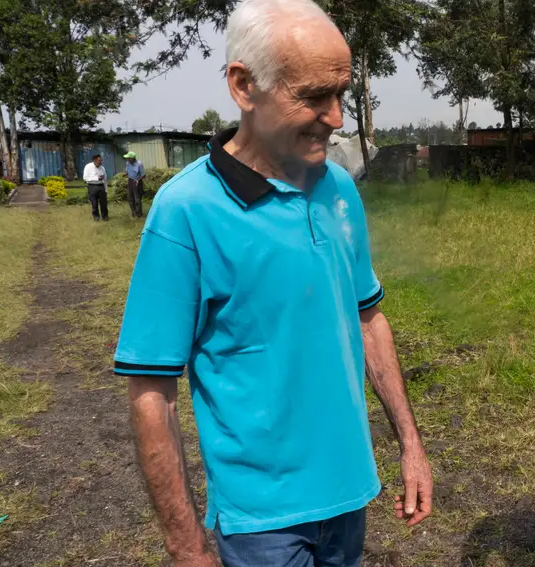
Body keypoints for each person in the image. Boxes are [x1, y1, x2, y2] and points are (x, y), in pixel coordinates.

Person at [113, 1, 433, 566]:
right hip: (262, 522)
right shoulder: (186, 211)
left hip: (350, 496)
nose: (338, 118)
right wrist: (187, 548)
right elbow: (152, 392)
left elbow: (368, 318)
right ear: (244, 86)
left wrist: (410, 445)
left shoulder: (338, 189)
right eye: (314, 96)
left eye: (341, 94)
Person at [83, 154, 108, 221]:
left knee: (104, 203)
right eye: (99, 160)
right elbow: (85, 178)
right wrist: (96, 178)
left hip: (101, 186)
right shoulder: (88, 167)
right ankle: (96, 217)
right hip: (92, 186)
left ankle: (105, 217)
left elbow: (105, 179)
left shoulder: (102, 168)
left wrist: (106, 189)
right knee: (94, 203)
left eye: (101, 160)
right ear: (94, 160)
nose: (101, 162)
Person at [124, 151, 146, 218]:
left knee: (137, 198)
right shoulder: (128, 163)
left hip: (137, 181)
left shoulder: (139, 164)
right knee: (130, 198)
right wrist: (125, 174)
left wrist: (138, 180)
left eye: (128, 158)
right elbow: (127, 171)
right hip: (130, 181)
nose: (127, 159)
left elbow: (143, 175)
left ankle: (139, 214)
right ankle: (133, 213)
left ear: (132, 158)